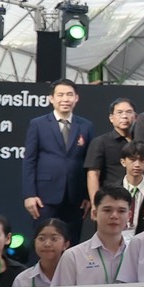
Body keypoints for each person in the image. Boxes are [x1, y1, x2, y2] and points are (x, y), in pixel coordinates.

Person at [22, 78, 94, 238]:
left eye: (69, 94)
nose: (65, 99)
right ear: (51, 98)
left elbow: (89, 163)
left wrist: (87, 196)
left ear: (76, 98)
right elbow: (29, 161)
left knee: (72, 242)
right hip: (44, 196)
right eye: (60, 95)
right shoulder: (38, 124)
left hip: (76, 196)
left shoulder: (86, 126)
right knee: (44, 240)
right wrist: (29, 194)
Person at [84, 97, 136, 203]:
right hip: (111, 199)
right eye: (119, 113)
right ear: (111, 118)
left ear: (135, 116)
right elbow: (93, 174)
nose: (124, 116)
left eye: (128, 112)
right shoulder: (100, 142)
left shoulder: (141, 141)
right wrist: (95, 203)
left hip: (139, 198)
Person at [117, 140, 144, 239]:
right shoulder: (112, 192)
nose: (137, 164)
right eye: (132, 160)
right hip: (117, 241)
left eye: (142, 160)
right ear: (123, 162)